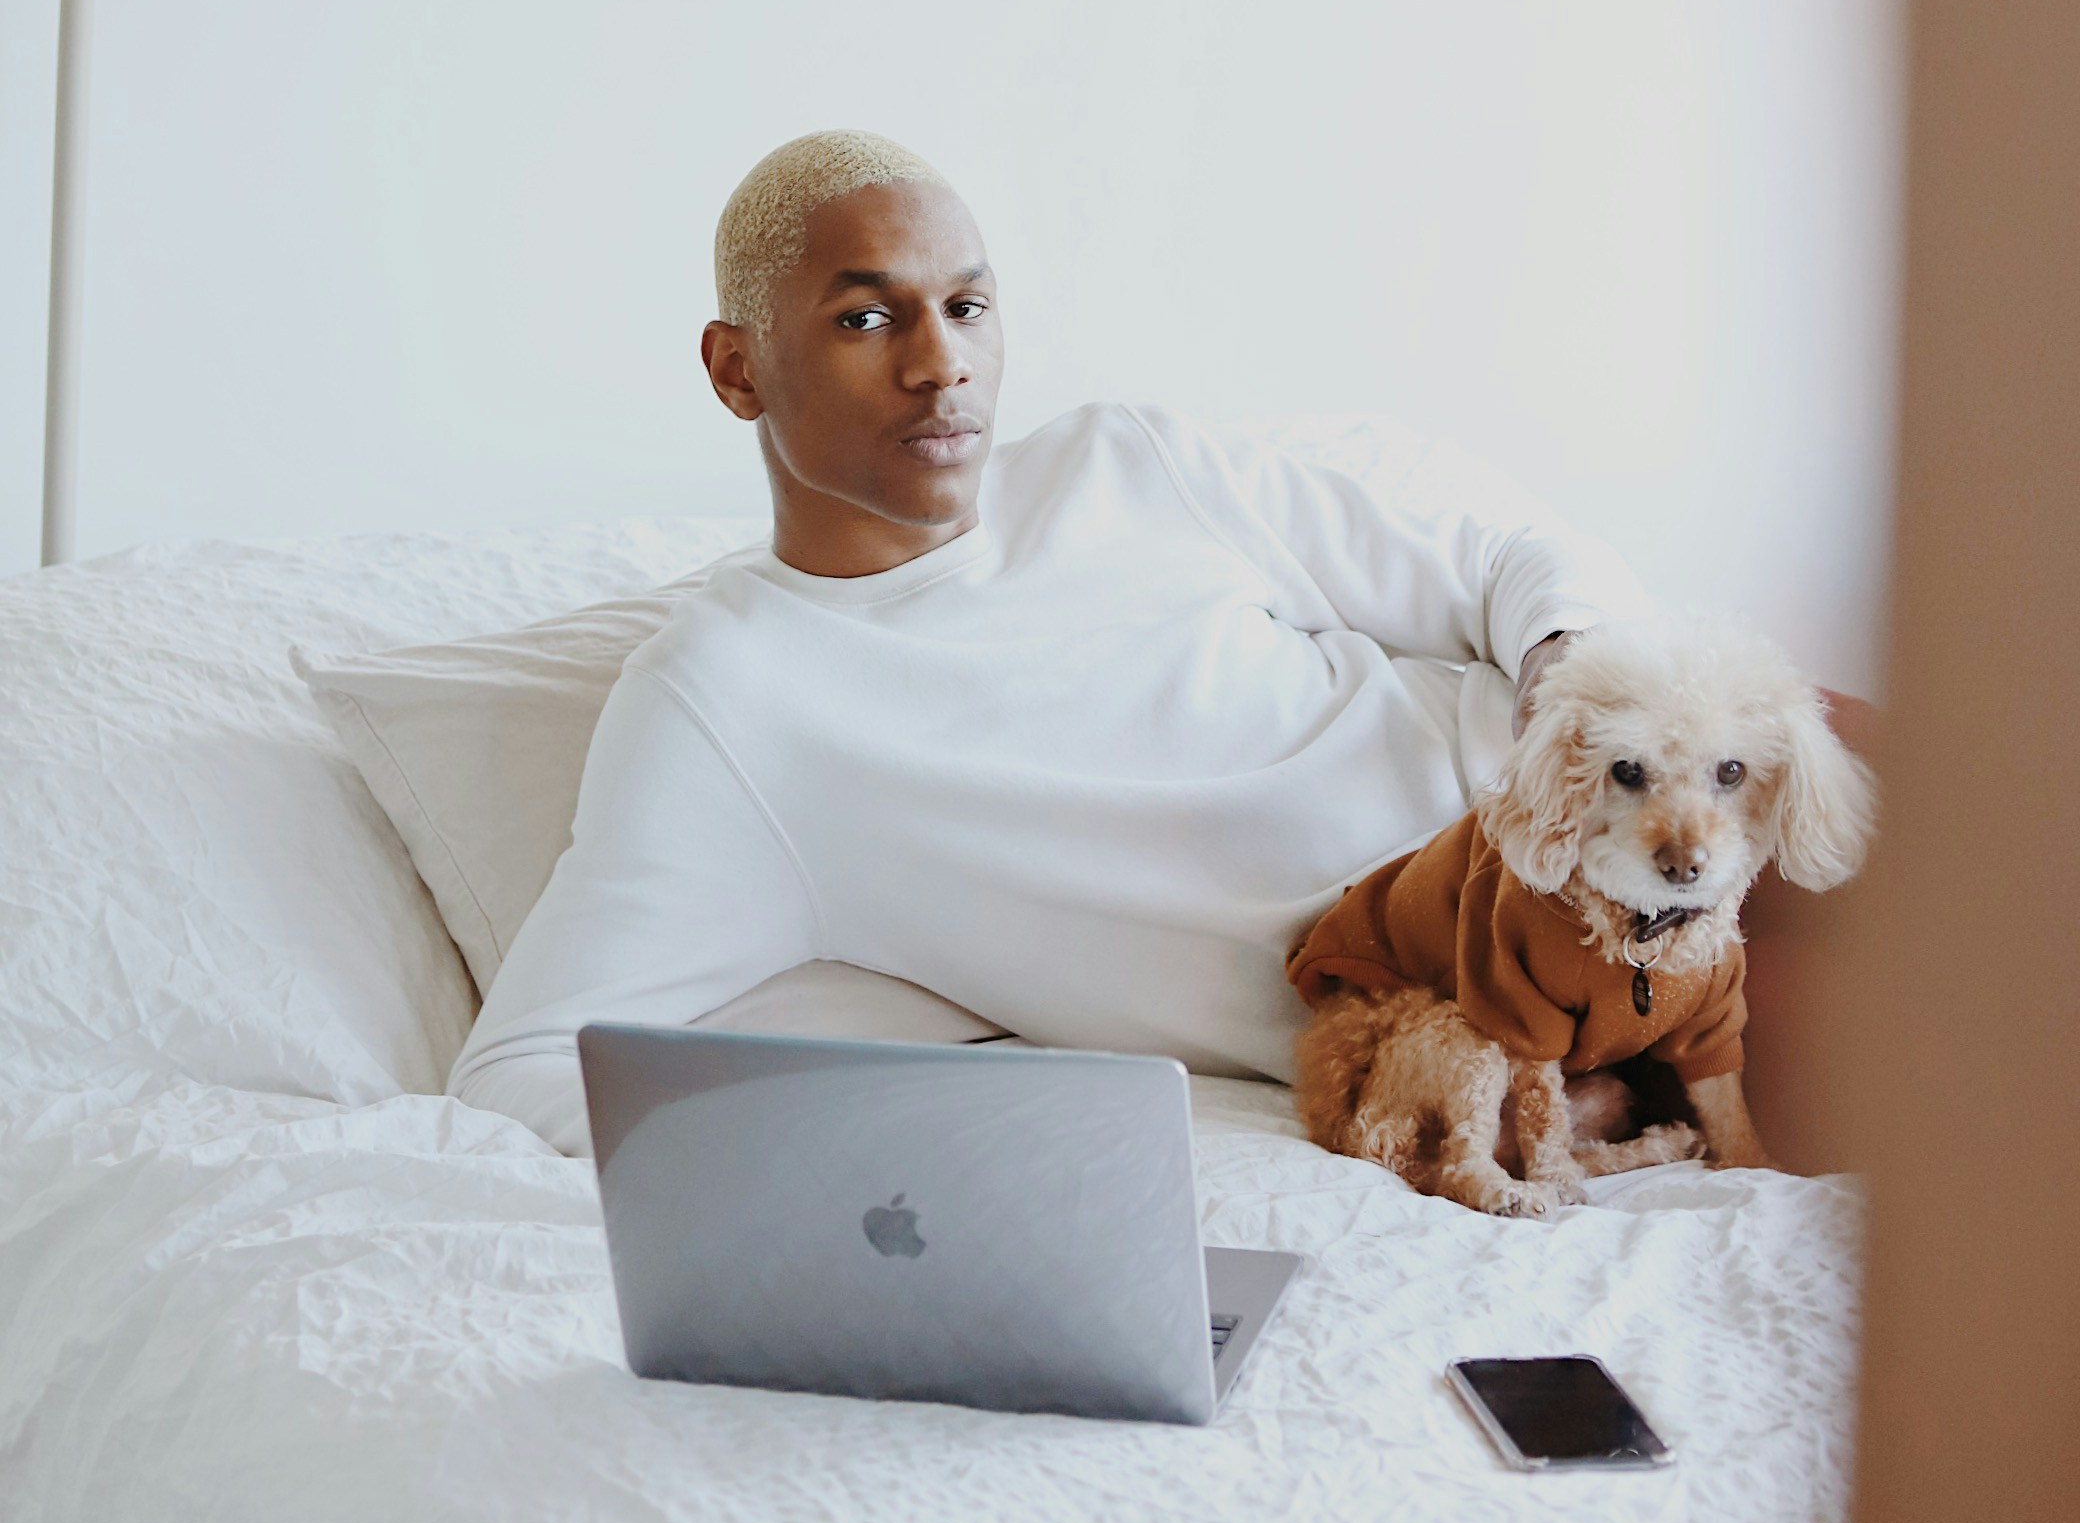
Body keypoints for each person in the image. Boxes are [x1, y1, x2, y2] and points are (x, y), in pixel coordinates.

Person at [450, 132, 1644, 1153]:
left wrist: (1574, 705)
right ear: (736, 369)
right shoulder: (729, 699)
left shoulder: (1124, 464)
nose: (941, 365)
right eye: (865, 318)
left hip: (1635, 805)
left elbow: (1505, 565)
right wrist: (883, 1085)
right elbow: (520, 1073)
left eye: (966, 308)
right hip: (1474, 1014)